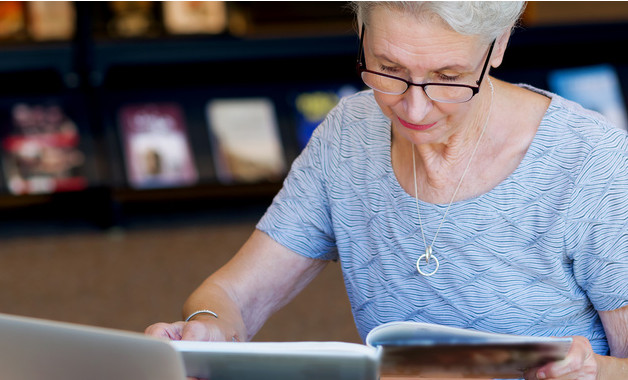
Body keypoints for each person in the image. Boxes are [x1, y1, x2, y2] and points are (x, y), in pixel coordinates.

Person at [146, 2, 628, 379]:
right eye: (388, 69)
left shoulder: (592, 164)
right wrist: (206, 326)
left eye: (448, 78)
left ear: (497, 46)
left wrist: (594, 373)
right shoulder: (350, 133)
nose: (415, 109)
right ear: (361, 35)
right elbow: (234, 293)